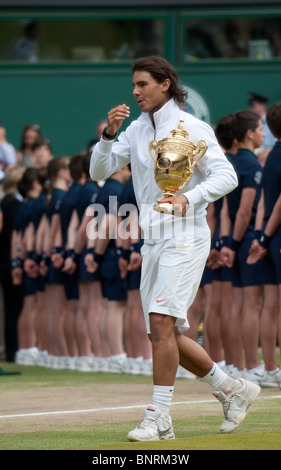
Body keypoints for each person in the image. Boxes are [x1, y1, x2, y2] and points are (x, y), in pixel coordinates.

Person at [90, 55, 260, 441]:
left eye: (142, 84)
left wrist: (190, 199)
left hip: (186, 236)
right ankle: (232, 389)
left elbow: (227, 176)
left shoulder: (194, 128)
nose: (135, 92)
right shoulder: (133, 130)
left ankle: (159, 418)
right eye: (134, 85)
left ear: (165, 83)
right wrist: (107, 136)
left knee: (162, 323)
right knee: (161, 332)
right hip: (153, 240)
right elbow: (98, 173)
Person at [220, 110, 265, 384]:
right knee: (250, 306)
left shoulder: (230, 163)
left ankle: (238, 365)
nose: (262, 133)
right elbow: (245, 211)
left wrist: (226, 243)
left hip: (233, 239)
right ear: (248, 134)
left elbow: (225, 211)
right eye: (260, 129)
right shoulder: (250, 166)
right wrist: (236, 244)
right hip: (246, 239)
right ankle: (251, 366)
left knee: (237, 306)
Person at [247, 101, 281, 388]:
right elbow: (279, 205)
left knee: (271, 305)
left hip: (269, 236)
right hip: (276, 235)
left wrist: (260, 238)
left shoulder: (269, 157)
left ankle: (271, 369)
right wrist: (267, 237)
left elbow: (264, 204)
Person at [0, 166, 25, 361]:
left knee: (12, 307)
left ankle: (12, 351)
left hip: (6, 258)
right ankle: (14, 350)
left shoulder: (6, 202)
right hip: (11, 259)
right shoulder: (14, 204)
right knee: (15, 307)